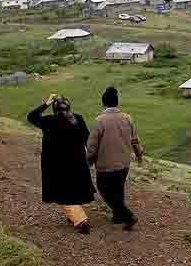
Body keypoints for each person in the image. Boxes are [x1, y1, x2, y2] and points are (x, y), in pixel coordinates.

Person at [27, 94, 96, 234]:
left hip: (55, 165)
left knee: (61, 193)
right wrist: (91, 159)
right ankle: (74, 215)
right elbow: (87, 140)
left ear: (54, 108)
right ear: (69, 107)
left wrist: (46, 103)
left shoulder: (48, 120)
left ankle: (81, 220)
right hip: (77, 162)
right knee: (73, 190)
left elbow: (31, 116)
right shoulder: (77, 119)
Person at [87, 87, 144, 231]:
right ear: (117, 103)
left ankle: (128, 216)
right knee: (118, 190)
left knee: (104, 189)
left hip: (105, 165)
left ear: (103, 103)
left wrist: (89, 160)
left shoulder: (100, 120)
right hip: (124, 163)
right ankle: (118, 216)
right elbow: (135, 140)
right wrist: (138, 155)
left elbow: (92, 145)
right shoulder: (127, 118)